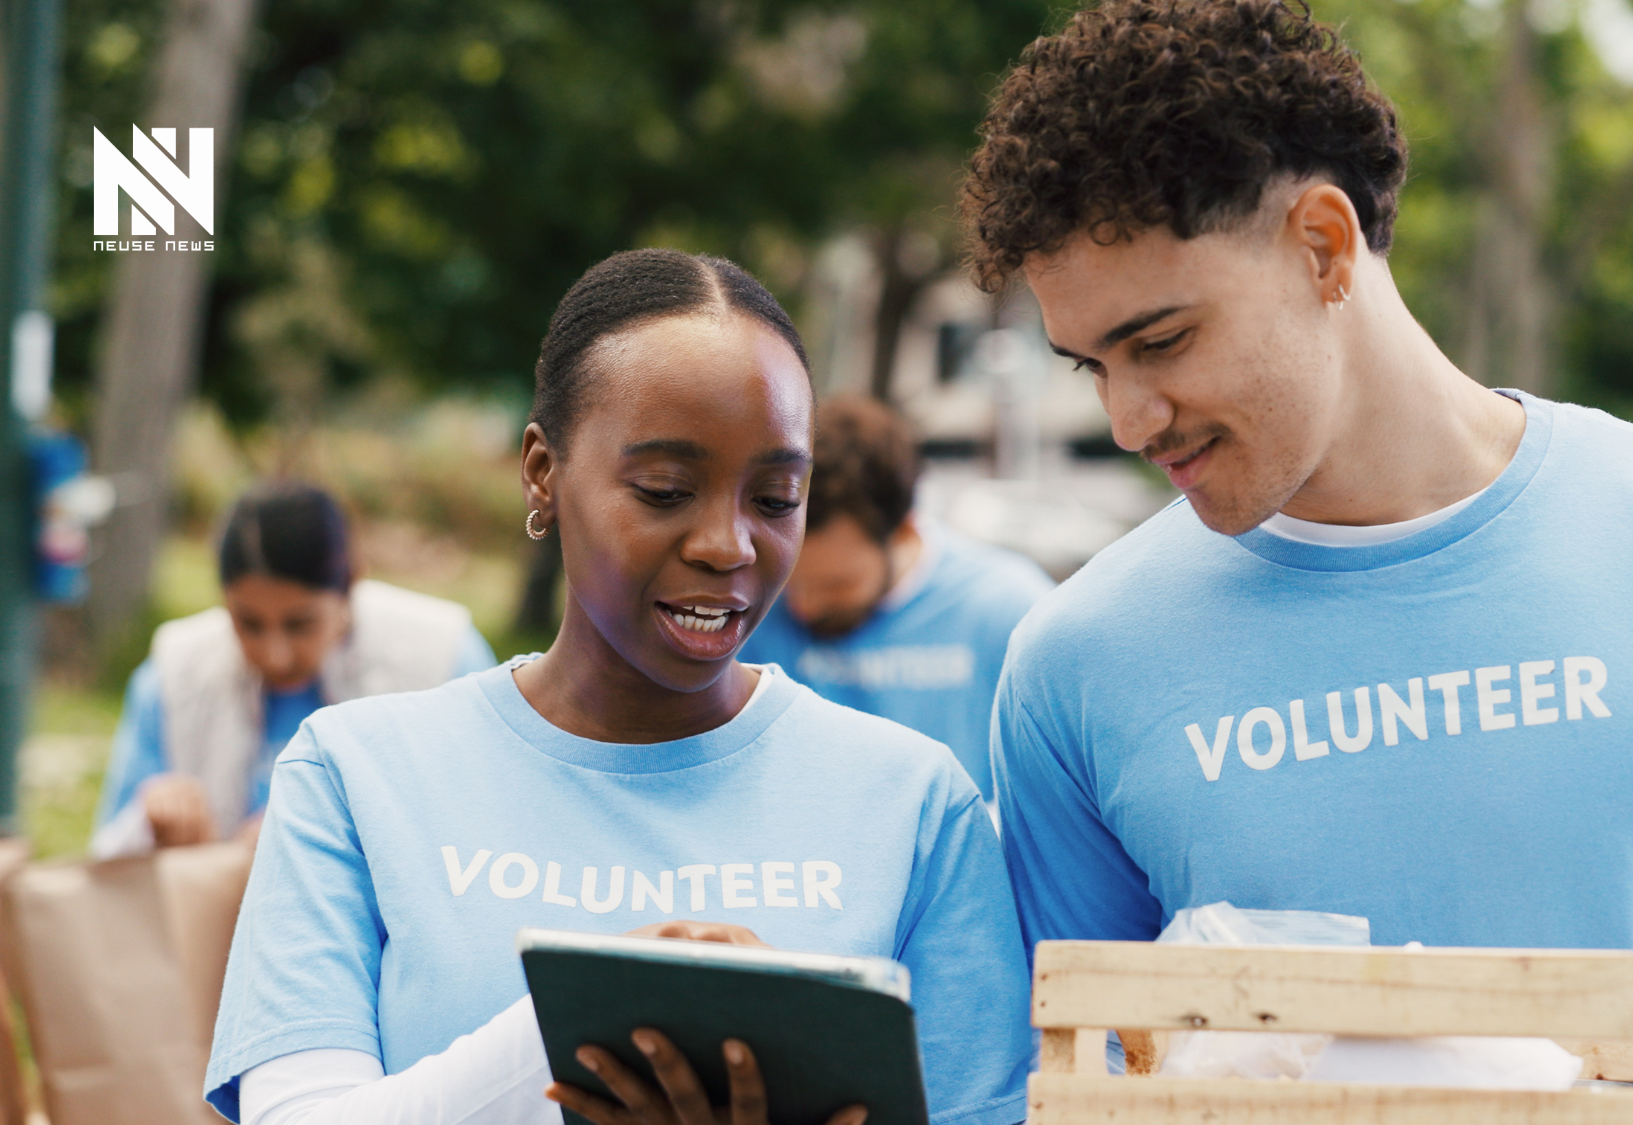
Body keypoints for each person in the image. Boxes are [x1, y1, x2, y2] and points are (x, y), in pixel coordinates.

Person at [959, 2, 1633, 1120]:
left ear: (1322, 245)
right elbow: (1072, 1061)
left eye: (1160, 342)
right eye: (1089, 366)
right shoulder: (1073, 666)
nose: (1128, 420)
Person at [202, 249, 1032, 1125]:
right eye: (665, 490)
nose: (728, 544)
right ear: (542, 470)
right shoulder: (355, 774)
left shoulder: (915, 803)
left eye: (776, 498)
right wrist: (601, 1010)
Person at [91, 483, 496, 859]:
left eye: (300, 624)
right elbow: (107, 857)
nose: (275, 656)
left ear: (351, 583)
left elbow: (489, 830)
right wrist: (155, 821)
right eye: (248, 623)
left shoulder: (445, 659)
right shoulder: (174, 674)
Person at [740, 396, 1053, 807]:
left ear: (903, 532)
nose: (804, 607)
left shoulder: (1011, 613)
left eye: (836, 585)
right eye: (788, 583)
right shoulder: (753, 613)